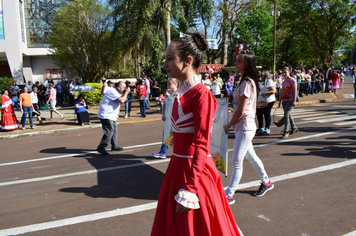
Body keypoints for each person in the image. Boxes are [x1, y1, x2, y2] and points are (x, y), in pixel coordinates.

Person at [151, 32, 241, 236]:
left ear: (187, 61)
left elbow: (202, 144)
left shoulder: (202, 95)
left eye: (169, 58)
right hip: (177, 168)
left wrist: (191, 188)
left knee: (196, 228)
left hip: (195, 173)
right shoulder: (181, 93)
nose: (165, 64)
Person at [223, 51, 274, 206]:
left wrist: (229, 124)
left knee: (236, 161)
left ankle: (229, 193)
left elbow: (241, 111)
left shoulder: (247, 83)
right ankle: (266, 181)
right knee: (251, 157)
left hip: (245, 126)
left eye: (239, 61)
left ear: (247, 64)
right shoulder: (244, 81)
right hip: (243, 126)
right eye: (236, 60)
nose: (236, 63)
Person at [96, 81, 130, 156]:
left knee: (114, 130)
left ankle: (114, 145)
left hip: (111, 115)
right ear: (118, 87)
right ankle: (101, 147)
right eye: (124, 87)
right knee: (109, 131)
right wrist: (127, 92)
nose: (125, 89)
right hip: (106, 115)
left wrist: (126, 92)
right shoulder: (112, 91)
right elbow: (122, 100)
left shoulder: (116, 91)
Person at [152, 77, 179, 159]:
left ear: (175, 84)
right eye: (167, 83)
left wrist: (169, 96)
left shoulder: (177, 94)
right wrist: (163, 114)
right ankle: (163, 152)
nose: (168, 85)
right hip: (168, 118)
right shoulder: (168, 93)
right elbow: (165, 104)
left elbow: (177, 103)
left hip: (175, 119)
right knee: (166, 134)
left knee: (175, 136)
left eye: (170, 84)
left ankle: (177, 153)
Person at [278, 67, 298, 139]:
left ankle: (286, 131)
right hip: (284, 100)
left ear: (289, 72)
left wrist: (294, 100)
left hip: (290, 99)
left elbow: (295, 91)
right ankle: (294, 127)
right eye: (283, 72)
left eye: (285, 72)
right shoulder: (283, 81)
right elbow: (282, 91)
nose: (284, 73)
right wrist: (280, 101)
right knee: (288, 115)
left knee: (286, 115)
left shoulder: (292, 80)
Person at [256, 69, 276, 135]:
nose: (260, 75)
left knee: (266, 113)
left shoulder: (269, 81)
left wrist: (265, 93)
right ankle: (260, 127)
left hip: (268, 100)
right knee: (259, 113)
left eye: (261, 74)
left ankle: (267, 127)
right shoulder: (259, 81)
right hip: (260, 100)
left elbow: (273, 91)